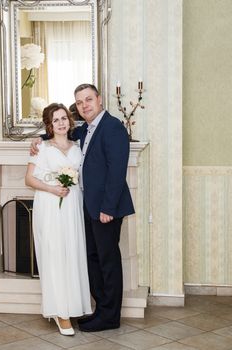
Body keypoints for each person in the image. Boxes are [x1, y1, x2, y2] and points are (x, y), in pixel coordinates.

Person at [31, 84, 134, 332]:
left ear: (99, 99)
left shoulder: (113, 128)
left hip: (106, 209)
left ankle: (110, 317)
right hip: (87, 208)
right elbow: (62, 137)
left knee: (107, 261)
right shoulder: (86, 130)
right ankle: (101, 310)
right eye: (79, 102)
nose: (84, 105)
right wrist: (40, 139)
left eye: (88, 99)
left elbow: (117, 172)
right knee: (92, 258)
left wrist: (108, 208)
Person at [25, 103, 92, 336]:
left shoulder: (78, 145)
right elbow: (29, 179)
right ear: (49, 125)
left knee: (71, 253)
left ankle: (72, 305)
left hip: (72, 205)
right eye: (56, 120)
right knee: (54, 254)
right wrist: (53, 190)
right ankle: (59, 312)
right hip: (51, 205)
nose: (62, 123)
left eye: (64, 118)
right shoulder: (41, 147)